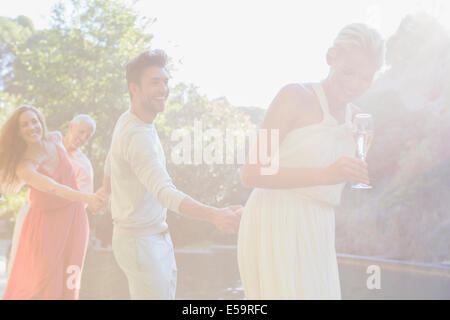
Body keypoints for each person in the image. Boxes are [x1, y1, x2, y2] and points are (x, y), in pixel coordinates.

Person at [237, 23, 384, 299]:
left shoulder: (360, 120)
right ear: (331, 57)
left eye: (365, 78)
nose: (354, 84)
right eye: (348, 71)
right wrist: (326, 174)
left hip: (319, 223)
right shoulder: (293, 96)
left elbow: (337, 182)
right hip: (276, 217)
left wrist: (351, 170)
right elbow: (251, 173)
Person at [98, 49, 241, 299]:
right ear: (134, 88)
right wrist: (215, 215)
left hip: (144, 239)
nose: (163, 88)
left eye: (165, 81)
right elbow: (165, 193)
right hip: (141, 244)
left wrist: (105, 190)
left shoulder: (129, 120)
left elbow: (111, 160)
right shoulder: (138, 136)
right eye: (154, 82)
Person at [0, 105, 104, 299]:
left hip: (74, 221)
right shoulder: (25, 167)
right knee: (40, 282)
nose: (32, 127)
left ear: (42, 122)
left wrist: (93, 200)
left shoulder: (54, 139)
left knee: (69, 282)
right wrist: (88, 198)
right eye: (25, 125)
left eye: (35, 121)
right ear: (18, 132)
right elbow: (53, 187)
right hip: (45, 225)